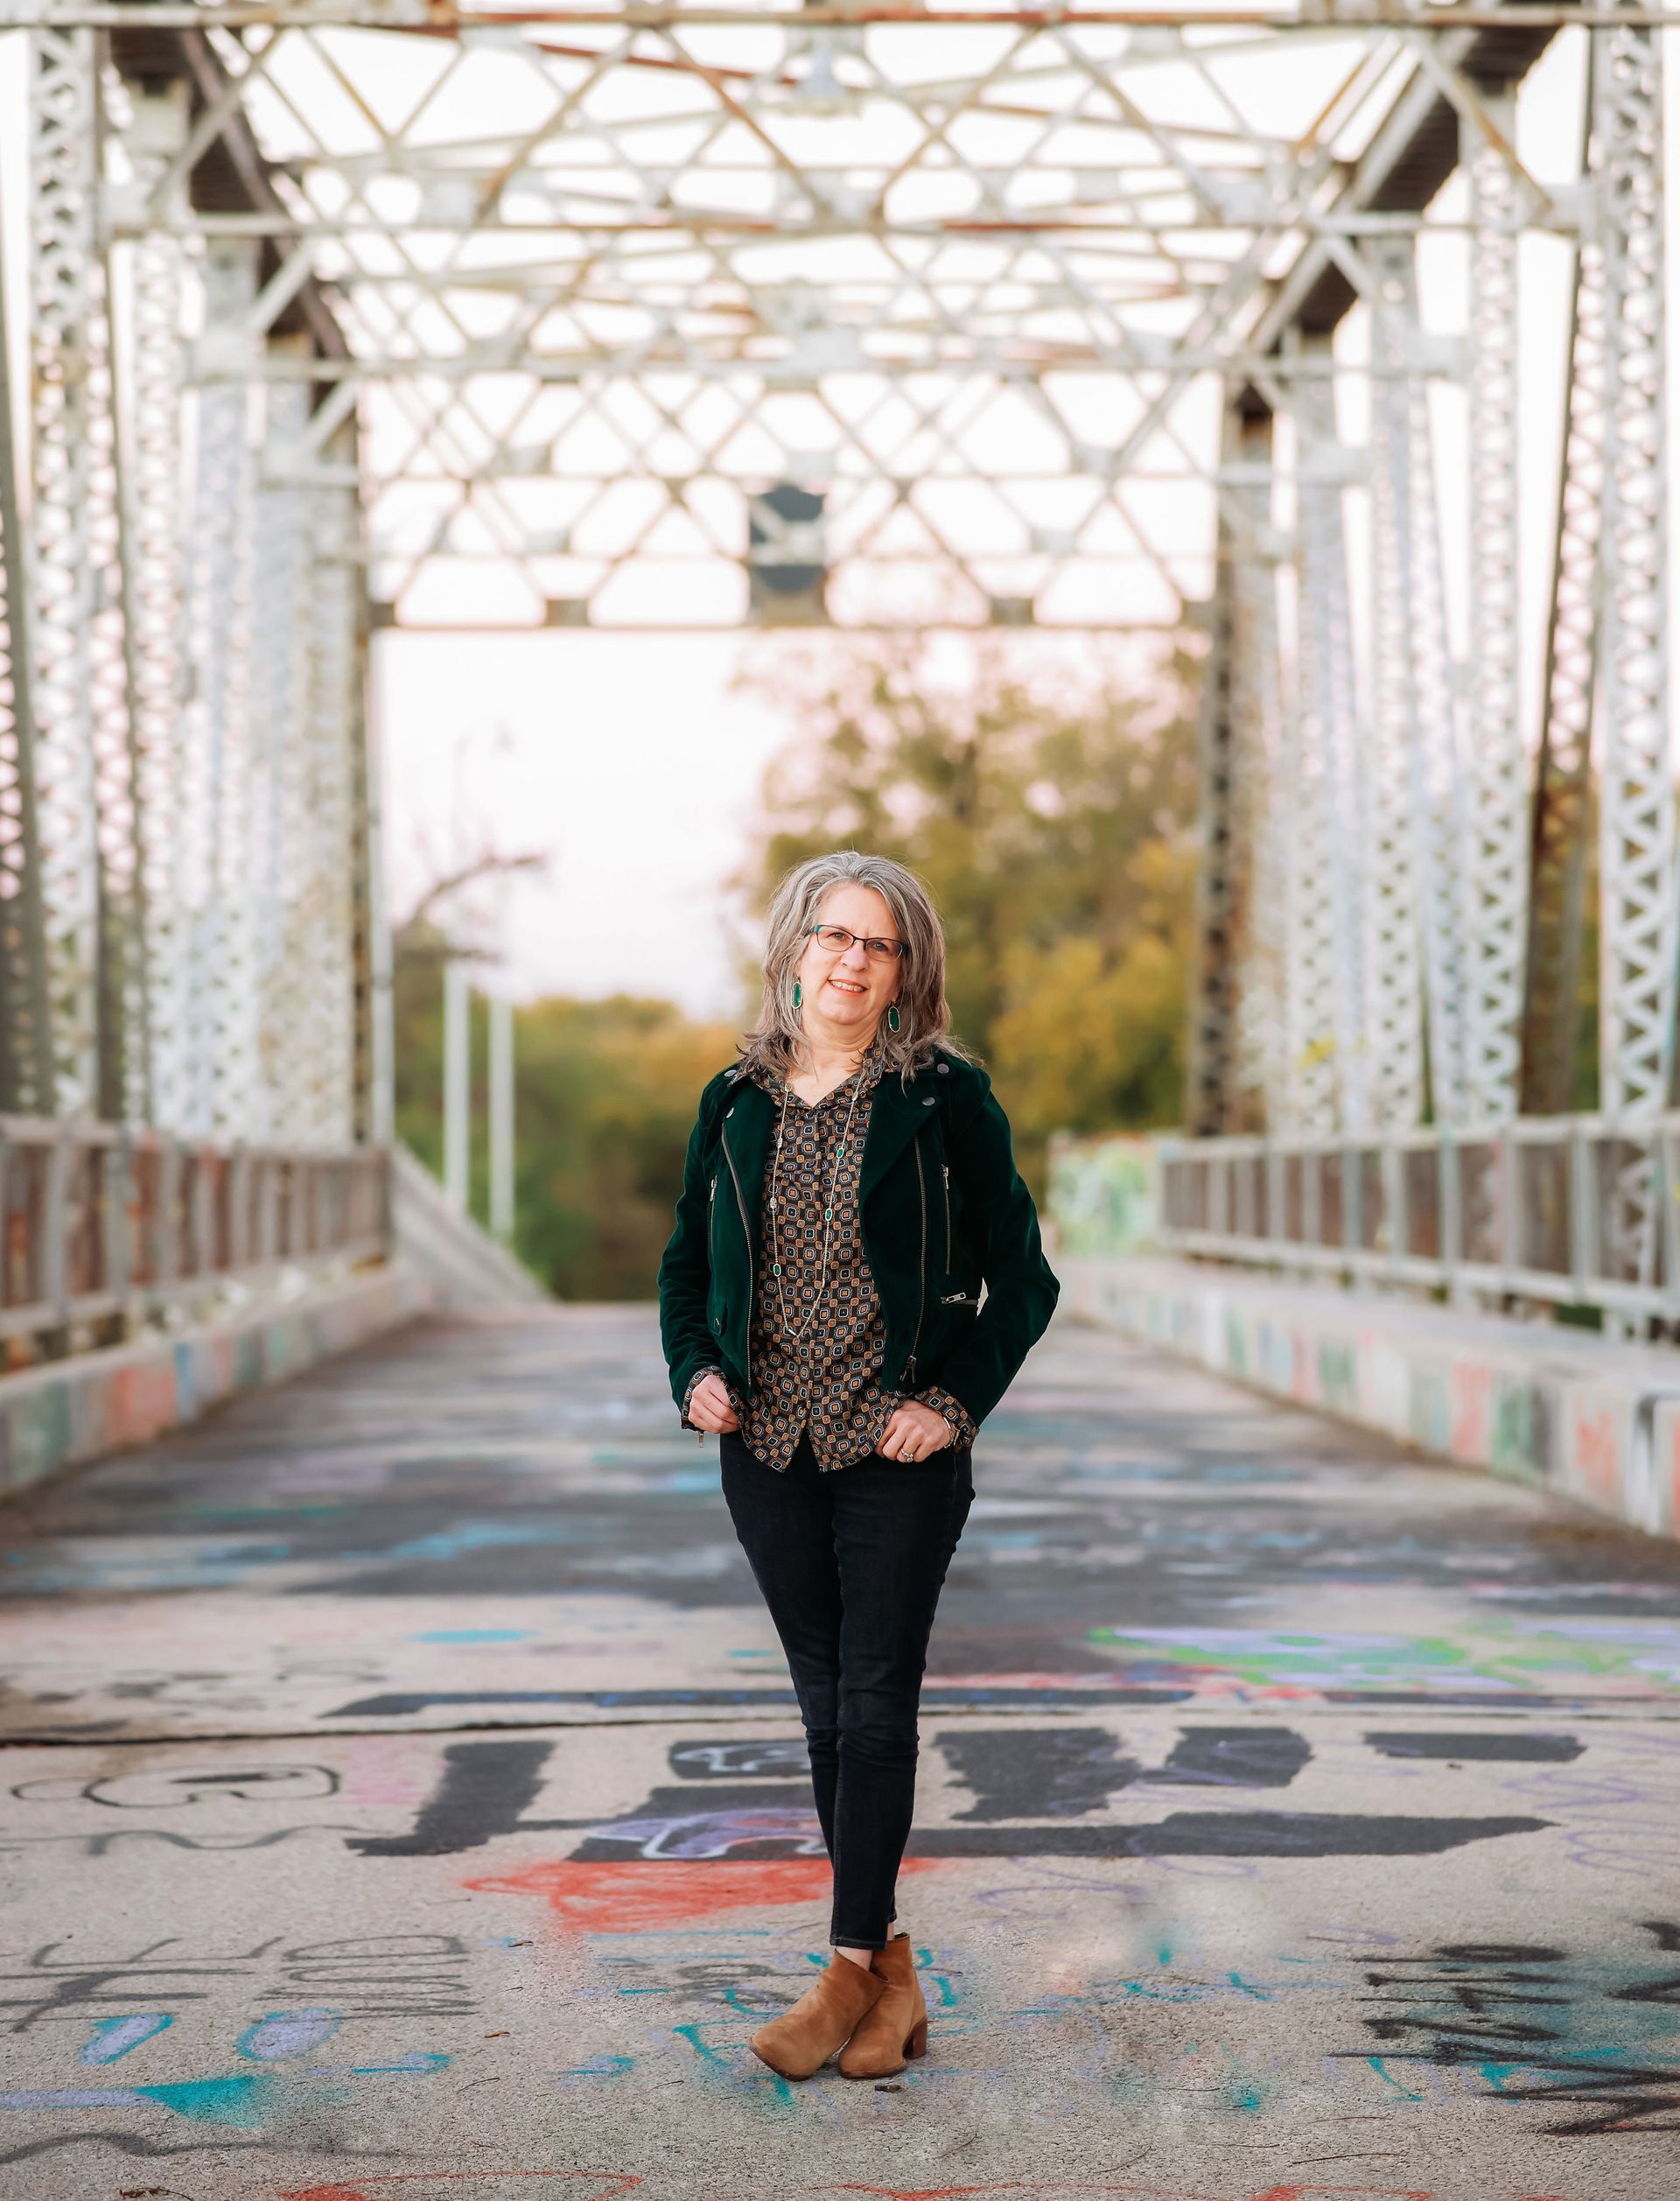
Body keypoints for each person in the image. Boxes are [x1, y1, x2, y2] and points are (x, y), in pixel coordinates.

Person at [657, 850, 1060, 2082]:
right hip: (765, 1442)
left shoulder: (946, 1101)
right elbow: (686, 1267)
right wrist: (694, 1374)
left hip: (896, 1444)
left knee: (875, 1705)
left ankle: (843, 1976)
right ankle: (892, 1982)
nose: (848, 960)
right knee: (826, 1708)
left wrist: (952, 1400)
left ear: (905, 972)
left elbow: (1025, 1278)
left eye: (875, 945)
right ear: (792, 951)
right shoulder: (733, 1102)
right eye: (830, 936)